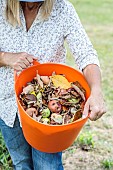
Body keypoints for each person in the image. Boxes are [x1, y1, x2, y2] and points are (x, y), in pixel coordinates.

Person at [0, 0, 106, 169]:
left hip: (49, 122)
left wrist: (97, 90)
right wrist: (6, 57)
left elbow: (85, 53)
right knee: (21, 164)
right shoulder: (1, 7)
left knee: (47, 166)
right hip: (8, 107)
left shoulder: (62, 10)